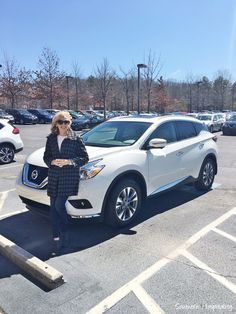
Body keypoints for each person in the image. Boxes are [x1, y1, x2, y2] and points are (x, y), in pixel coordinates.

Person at [43, 111, 89, 256]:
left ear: (70, 123)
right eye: (61, 122)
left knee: (58, 205)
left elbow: (84, 158)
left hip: (68, 177)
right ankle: (56, 237)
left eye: (66, 122)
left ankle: (66, 228)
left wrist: (69, 162)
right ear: (56, 123)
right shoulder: (51, 138)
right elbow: (46, 156)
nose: (63, 125)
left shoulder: (76, 139)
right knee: (53, 208)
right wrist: (51, 161)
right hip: (54, 176)